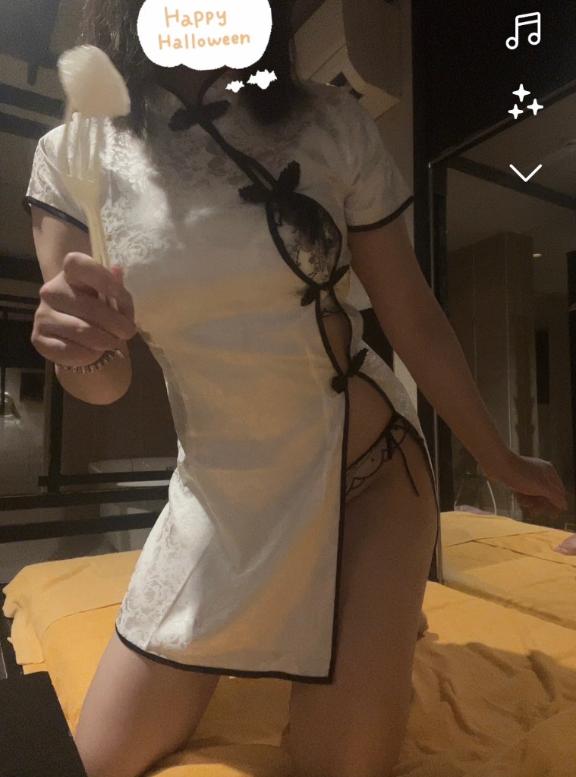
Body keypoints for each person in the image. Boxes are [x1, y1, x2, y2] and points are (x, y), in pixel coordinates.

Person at [24, 2, 567, 777]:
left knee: (337, 763)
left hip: (369, 479)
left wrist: (499, 459)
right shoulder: (71, 157)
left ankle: (379, 600)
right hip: (222, 503)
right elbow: (105, 383)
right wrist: (77, 348)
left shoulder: (328, 122)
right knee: (100, 759)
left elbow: (411, 314)